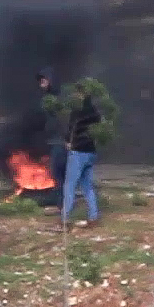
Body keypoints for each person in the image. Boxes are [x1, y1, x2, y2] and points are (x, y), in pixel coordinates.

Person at [60, 82, 104, 228]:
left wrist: (68, 142)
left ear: (81, 94)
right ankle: (93, 217)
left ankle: (65, 219)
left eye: (77, 92)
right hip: (91, 152)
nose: (74, 95)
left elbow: (71, 129)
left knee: (69, 185)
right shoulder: (95, 112)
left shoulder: (77, 111)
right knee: (88, 186)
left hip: (78, 152)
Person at [37, 68, 68, 201]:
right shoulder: (47, 98)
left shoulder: (58, 99)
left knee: (58, 173)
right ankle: (62, 201)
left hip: (60, 142)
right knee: (57, 173)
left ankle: (62, 203)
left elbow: (62, 121)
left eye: (44, 81)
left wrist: (66, 139)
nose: (41, 84)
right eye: (40, 82)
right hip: (54, 140)